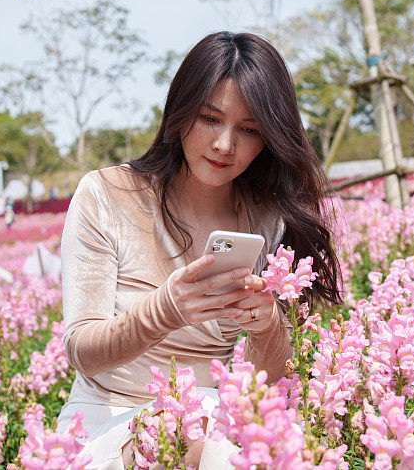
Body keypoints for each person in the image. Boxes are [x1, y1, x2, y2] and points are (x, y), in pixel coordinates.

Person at [56, 31, 342, 469]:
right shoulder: (105, 195)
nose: (225, 145)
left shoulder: (266, 217)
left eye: (248, 129)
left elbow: (268, 381)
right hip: (109, 421)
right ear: (180, 112)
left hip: (217, 423)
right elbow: (82, 351)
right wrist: (165, 310)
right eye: (210, 118)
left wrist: (267, 325)